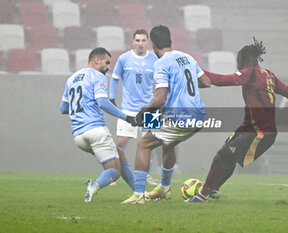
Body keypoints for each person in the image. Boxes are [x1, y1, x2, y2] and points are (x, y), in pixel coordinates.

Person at [187, 38, 288, 202]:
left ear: (243, 59)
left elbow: (221, 81)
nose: (237, 63)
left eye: (238, 59)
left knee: (222, 156)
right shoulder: (269, 75)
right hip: (250, 129)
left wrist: (196, 70)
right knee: (226, 156)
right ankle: (211, 189)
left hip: (260, 132)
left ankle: (204, 194)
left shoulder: (250, 73)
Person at [121, 25, 211, 204]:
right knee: (167, 143)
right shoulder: (187, 57)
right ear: (170, 41)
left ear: (153, 45)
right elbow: (206, 82)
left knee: (144, 144)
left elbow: (160, 98)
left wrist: (143, 111)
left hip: (180, 117)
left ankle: (138, 195)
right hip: (199, 116)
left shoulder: (161, 63)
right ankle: (164, 188)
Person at [60, 47, 137, 203]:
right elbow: (103, 102)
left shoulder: (71, 79)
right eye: (107, 63)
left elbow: (63, 109)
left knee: (119, 154)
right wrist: (125, 117)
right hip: (95, 130)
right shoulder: (97, 76)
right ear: (96, 60)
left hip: (78, 136)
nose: (108, 67)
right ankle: (94, 185)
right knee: (114, 171)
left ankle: (139, 192)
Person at [109, 29, 158, 186]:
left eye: (143, 41)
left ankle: (147, 176)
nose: (140, 44)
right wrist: (111, 97)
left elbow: (161, 83)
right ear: (133, 42)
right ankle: (115, 174)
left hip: (150, 108)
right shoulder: (124, 59)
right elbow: (115, 78)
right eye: (137, 40)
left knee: (151, 143)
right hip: (128, 108)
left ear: (147, 43)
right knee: (121, 143)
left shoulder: (155, 60)